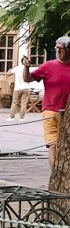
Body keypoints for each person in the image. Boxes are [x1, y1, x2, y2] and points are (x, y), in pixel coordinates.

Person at [24, 36, 70, 167]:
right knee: (53, 145)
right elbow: (28, 79)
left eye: (62, 49)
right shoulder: (48, 66)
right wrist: (26, 68)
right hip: (51, 110)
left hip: (67, 112)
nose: (59, 51)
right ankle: (55, 175)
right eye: (57, 48)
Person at [9, 55, 33, 121]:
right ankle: (22, 118)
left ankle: (12, 117)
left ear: (21, 62)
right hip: (26, 88)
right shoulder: (28, 69)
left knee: (15, 102)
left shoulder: (17, 68)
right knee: (24, 103)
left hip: (17, 88)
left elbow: (8, 73)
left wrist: (11, 69)